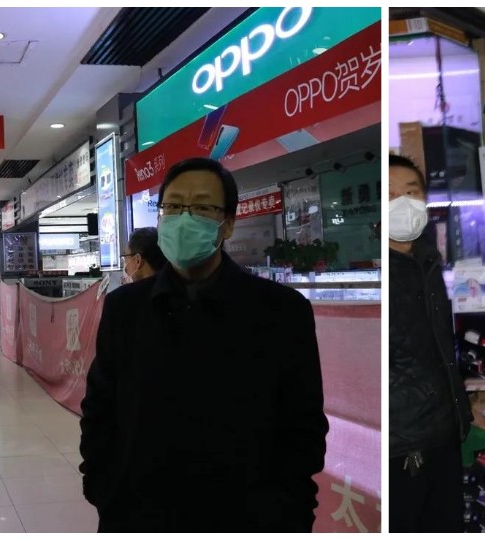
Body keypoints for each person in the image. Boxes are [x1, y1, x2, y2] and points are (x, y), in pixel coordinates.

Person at [79, 157, 328, 532]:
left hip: (246, 518)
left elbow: (302, 424)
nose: (184, 218)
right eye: (173, 206)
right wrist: (104, 487)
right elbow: (100, 407)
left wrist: (288, 512)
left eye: (201, 207)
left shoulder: (281, 311)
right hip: (139, 514)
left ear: (227, 224)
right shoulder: (125, 308)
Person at [387, 155, 471, 533]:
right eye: (390, 195)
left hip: (443, 435)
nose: (403, 203)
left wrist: (459, 412)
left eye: (411, 192)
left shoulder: (427, 261)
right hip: (403, 447)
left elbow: (439, 348)